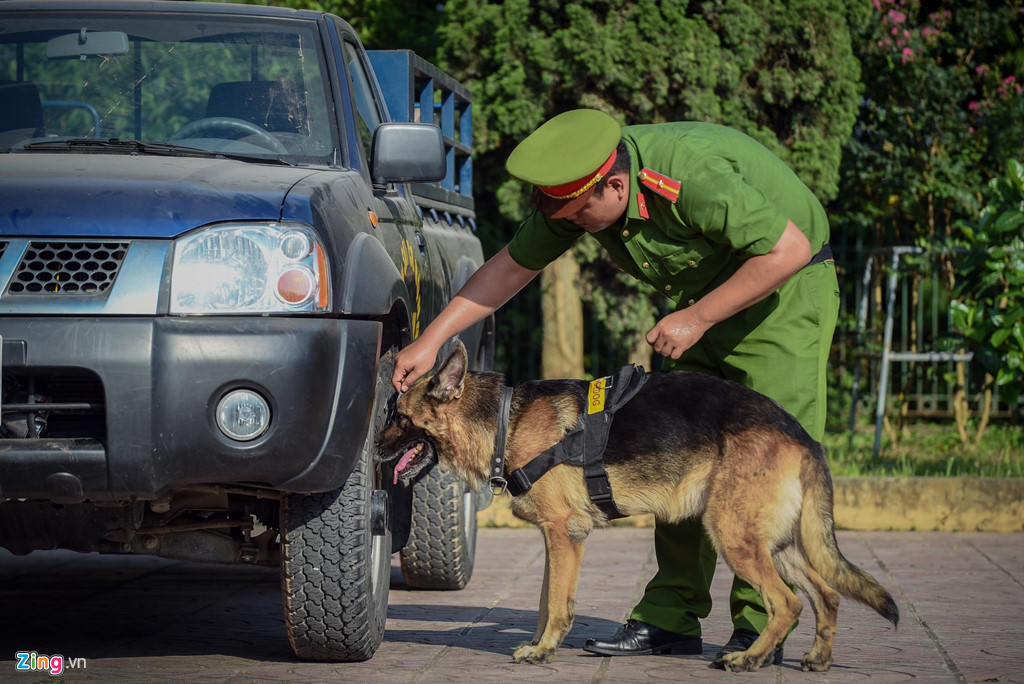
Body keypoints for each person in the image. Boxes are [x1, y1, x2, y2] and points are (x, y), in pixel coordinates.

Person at [391, 108, 839, 667]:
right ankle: (671, 619)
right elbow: (509, 269)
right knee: (675, 454)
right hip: (701, 301)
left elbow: (787, 250)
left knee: (759, 468)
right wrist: (432, 340)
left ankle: (757, 626)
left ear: (617, 185)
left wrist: (696, 319)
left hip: (782, 293)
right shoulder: (575, 194)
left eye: (584, 215)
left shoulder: (689, 176)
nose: (576, 226)